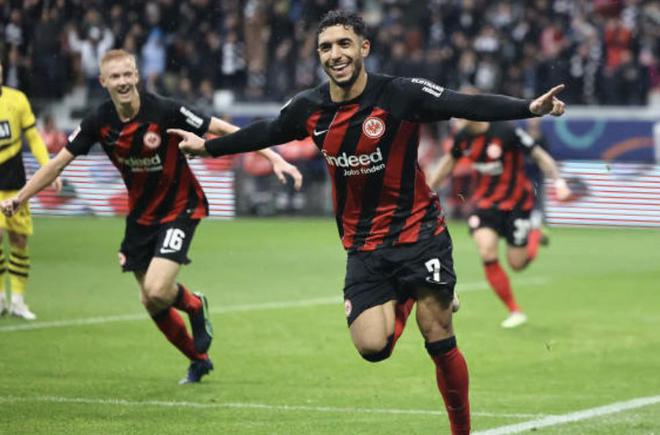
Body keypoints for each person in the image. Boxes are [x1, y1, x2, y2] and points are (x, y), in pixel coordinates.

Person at [168, 11, 566, 433]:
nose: (335, 54)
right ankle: (411, 294)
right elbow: (267, 131)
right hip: (363, 245)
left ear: (364, 48)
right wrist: (209, 148)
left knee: (437, 336)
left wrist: (529, 108)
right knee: (373, 347)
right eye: (326, 47)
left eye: (344, 44)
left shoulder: (399, 94)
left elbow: (461, 103)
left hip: (419, 233)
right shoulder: (310, 107)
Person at [0, 49, 302, 384]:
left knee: (158, 290)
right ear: (103, 82)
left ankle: (195, 306)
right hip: (141, 217)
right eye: (115, 76)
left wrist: (271, 156)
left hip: (180, 207)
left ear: (137, 76)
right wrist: (20, 197)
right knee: (150, 301)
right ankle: (198, 359)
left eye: (128, 74)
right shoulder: (99, 121)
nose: (123, 81)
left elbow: (220, 128)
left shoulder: (164, 110)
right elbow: (57, 163)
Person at [427, 112, 571, 329]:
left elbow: (540, 155)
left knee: (517, 264)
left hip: (516, 205)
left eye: (460, 116)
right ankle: (514, 311)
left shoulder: (506, 131)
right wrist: (427, 191)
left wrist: (559, 182)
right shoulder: (463, 137)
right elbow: (448, 163)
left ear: (473, 114)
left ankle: (534, 234)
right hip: (485, 205)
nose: (455, 121)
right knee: (487, 251)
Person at [0, 61, 63, 320]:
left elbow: (34, 138)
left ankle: (17, 300)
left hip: (15, 184)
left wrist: (48, 167)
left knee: (19, 241)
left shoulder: (17, 100)